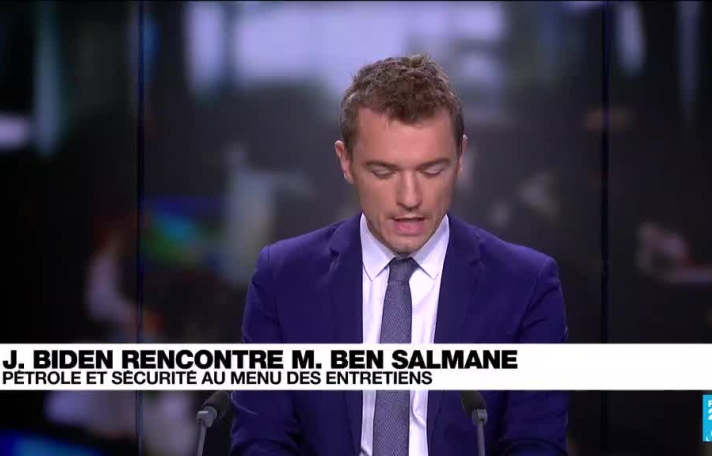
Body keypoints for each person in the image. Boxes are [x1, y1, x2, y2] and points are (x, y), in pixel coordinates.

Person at [230, 54, 568, 456]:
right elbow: (261, 441)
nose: (410, 198)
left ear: (461, 158)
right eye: (384, 172)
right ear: (345, 162)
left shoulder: (526, 285)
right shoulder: (283, 279)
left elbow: (535, 445)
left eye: (431, 170)